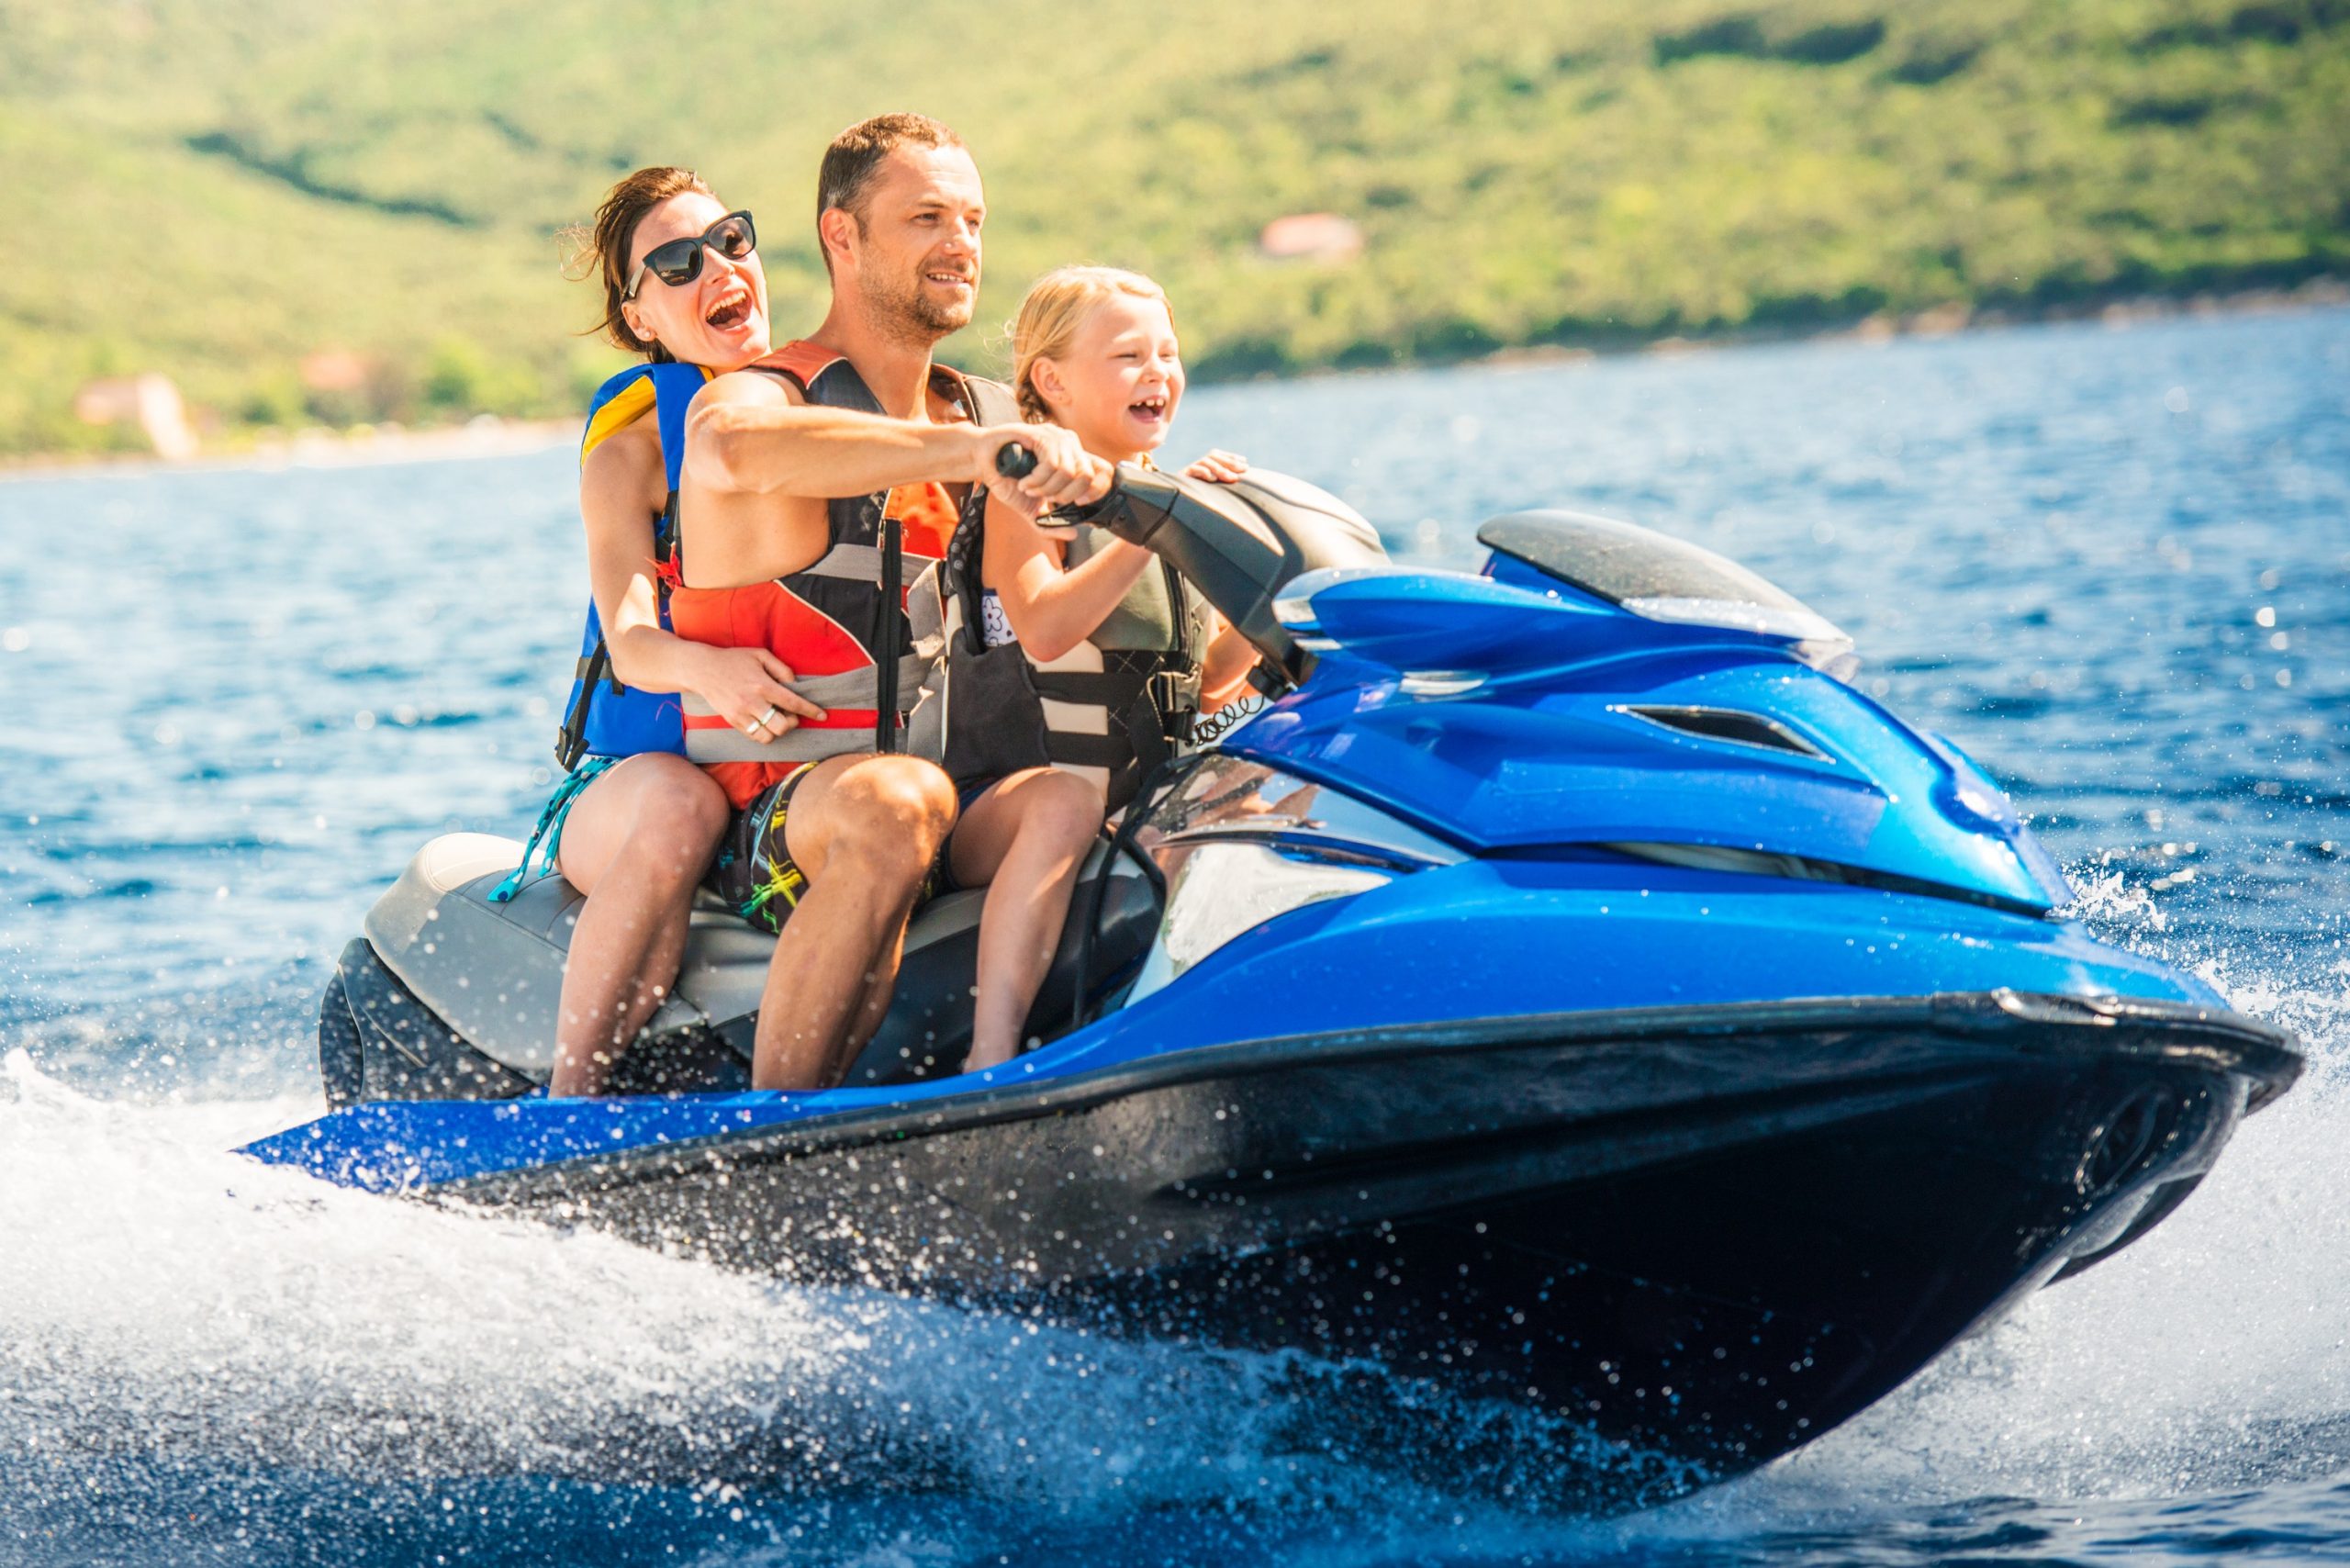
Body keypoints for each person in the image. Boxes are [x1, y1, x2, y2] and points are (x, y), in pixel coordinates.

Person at [671, 113, 1112, 1092]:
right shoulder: (761, 398)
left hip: (949, 796)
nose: (960, 244)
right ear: (842, 235)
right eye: (925, 218)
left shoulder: (990, 414)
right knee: (898, 798)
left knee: (1095, 793)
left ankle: (1009, 1080)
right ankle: (773, 1130)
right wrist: (970, 457)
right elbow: (726, 454)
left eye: (973, 219)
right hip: (782, 817)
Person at [516, 168, 813, 1096]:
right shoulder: (632, 455)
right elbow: (633, 637)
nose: (717, 266)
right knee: (684, 806)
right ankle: (569, 1102)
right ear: (639, 315)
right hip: (639, 786)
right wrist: (711, 672)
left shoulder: (827, 407)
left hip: (786, 773)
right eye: (677, 263)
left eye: (730, 239)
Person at [939, 266, 1259, 839]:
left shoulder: (1173, 500)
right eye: (1128, 356)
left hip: (1140, 803)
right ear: (1053, 383)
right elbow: (1043, 629)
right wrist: (1158, 524)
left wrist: (1272, 605)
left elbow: (1209, 683)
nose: (1157, 370)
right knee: (1066, 807)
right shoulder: (1023, 495)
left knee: (1272, 803)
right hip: (1013, 804)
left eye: (1169, 353)